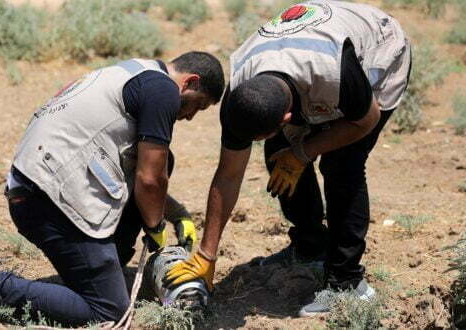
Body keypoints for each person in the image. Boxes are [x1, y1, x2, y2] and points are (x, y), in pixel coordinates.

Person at [166, 0, 412, 317]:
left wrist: (303, 151)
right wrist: (206, 254)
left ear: (286, 118)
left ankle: (347, 283)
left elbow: (365, 120)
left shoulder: (336, 72)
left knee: (341, 166)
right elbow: (228, 175)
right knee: (277, 156)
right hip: (305, 64)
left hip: (377, 52)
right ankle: (310, 247)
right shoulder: (241, 93)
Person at [0, 52, 225, 326]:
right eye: (198, 106)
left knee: (164, 159)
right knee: (110, 312)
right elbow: (149, 179)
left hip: (36, 186)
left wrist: (177, 213)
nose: (189, 117)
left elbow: (142, 173)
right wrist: (156, 229)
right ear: (190, 82)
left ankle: (104, 269)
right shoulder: (163, 89)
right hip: (47, 198)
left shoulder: (136, 71)